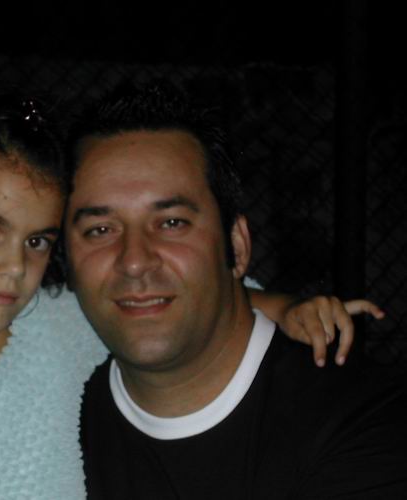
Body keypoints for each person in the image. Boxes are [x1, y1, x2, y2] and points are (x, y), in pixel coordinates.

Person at [0, 93, 378, 500]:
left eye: (37, 240)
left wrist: (289, 309)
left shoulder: (51, 327)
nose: (14, 266)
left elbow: (191, 299)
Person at [68, 82, 407, 498]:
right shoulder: (46, 416)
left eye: (172, 223)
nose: (135, 260)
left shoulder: (361, 421)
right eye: (100, 230)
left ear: (238, 246)